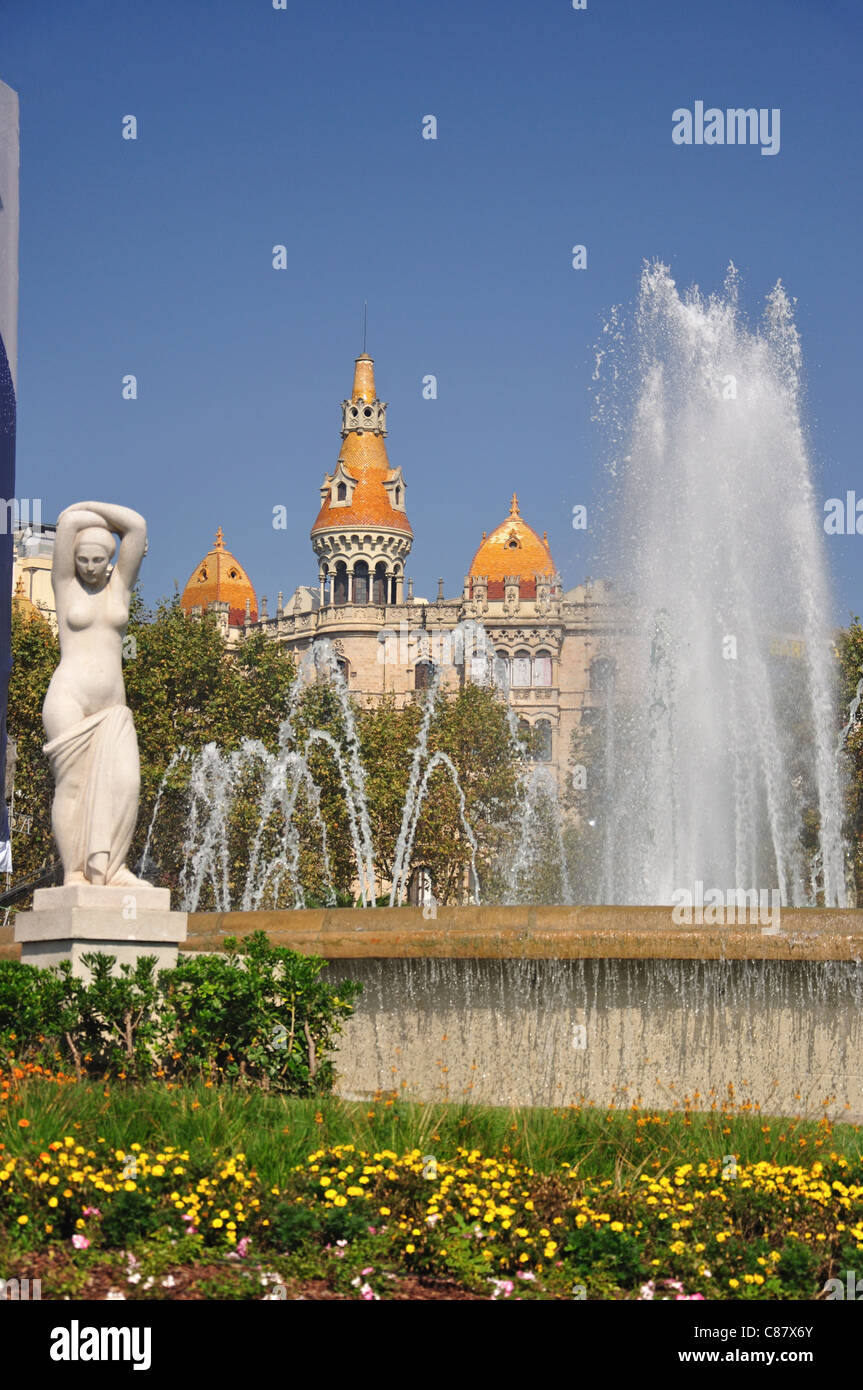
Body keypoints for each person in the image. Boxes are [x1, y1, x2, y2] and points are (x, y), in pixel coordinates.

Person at [42, 501, 150, 887]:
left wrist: (97, 514)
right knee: (72, 786)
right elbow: (68, 521)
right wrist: (92, 517)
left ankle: (112, 868)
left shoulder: (120, 586)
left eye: (97, 559)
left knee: (126, 783)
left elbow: (136, 526)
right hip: (68, 696)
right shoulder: (65, 587)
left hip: (112, 707)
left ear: (111, 561)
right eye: (82, 559)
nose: (88, 566)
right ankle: (74, 872)